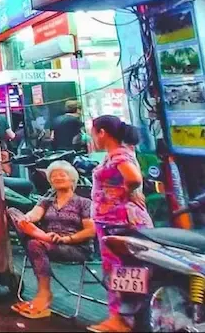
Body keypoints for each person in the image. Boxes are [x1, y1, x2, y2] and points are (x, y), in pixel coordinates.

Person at [88, 115, 152, 333]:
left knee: (119, 270)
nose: (93, 138)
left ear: (102, 132)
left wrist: (122, 192)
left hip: (118, 221)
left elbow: (134, 178)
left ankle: (121, 320)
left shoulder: (118, 154)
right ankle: (125, 318)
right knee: (125, 269)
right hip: (116, 220)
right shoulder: (120, 153)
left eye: (93, 133)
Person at [9, 160, 95, 319]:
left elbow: (91, 231)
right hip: (47, 242)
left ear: (72, 179)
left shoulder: (84, 203)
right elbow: (34, 214)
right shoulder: (47, 200)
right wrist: (26, 219)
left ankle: (44, 294)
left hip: (74, 246)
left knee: (34, 243)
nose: (58, 178)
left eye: (62, 175)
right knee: (14, 213)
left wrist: (67, 239)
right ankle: (41, 235)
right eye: (54, 176)